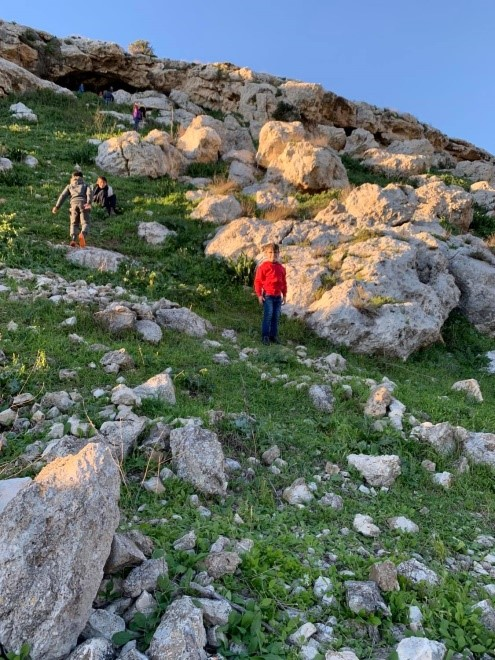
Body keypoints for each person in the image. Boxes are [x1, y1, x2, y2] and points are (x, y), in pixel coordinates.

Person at [254, 243, 287, 345]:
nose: (273, 255)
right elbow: (258, 281)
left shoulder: (281, 268)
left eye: (275, 252)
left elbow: (284, 282)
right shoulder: (263, 267)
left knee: (276, 316)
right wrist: (259, 295)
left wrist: (284, 295)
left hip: (278, 297)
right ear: (265, 253)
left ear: (278, 253)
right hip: (268, 296)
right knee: (268, 315)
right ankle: (265, 336)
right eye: (270, 252)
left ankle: (273, 336)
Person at [52, 170, 92, 247]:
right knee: (85, 222)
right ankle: (83, 234)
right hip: (83, 203)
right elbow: (89, 193)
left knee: (74, 223)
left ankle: (73, 239)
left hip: (73, 204)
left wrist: (57, 206)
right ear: (82, 177)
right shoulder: (86, 185)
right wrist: (89, 202)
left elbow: (62, 196)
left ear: (73, 177)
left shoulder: (70, 186)